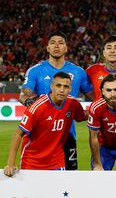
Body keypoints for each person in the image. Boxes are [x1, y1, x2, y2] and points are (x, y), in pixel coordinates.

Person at [19, 31, 93, 170]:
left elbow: (94, 96)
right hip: (39, 136)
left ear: (66, 48)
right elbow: (24, 94)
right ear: (47, 48)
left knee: (69, 178)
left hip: (67, 135)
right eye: (53, 43)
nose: (56, 46)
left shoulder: (78, 72)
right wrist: (29, 101)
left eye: (60, 43)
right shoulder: (35, 71)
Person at [4, 72, 87, 176]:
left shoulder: (73, 104)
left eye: (65, 86)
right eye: (58, 85)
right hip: (32, 162)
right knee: (32, 193)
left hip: (57, 161)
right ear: (51, 86)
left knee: (58, 191)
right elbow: (18, 134)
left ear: (70, 89)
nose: (61, 90)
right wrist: (10, 164)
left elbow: (83, 116)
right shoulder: (37, 107)